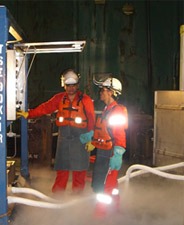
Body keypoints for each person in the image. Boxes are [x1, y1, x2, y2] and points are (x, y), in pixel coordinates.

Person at [17, 69, 95, 194]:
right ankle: (58, 195)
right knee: (62, 168)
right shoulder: (59, 98)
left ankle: (77, 197)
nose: (70, 88)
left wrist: (90, 137)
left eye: (73, 85)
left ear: (77, 85)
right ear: (64, 85)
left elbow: (91, 118)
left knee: (79, 170)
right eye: (68, 85)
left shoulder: (85, 100)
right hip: (64, 136)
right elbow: (45, 107)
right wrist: (29, 114)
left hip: (81, 138)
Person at [90, 77, 128, 216]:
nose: (100, 92)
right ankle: (115, 211)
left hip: (110, 153)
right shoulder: (107, 109)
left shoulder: (116, 111)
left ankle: (99, 219)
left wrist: (118, 154)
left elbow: (119, 134)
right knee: (110, 186)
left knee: (104, 188)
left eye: (103, 90)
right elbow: (104, 130)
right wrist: (91, 138)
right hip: (103, 151)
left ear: (111, 92)